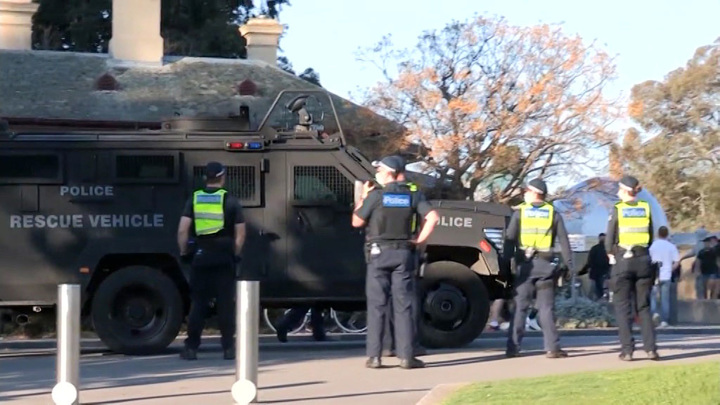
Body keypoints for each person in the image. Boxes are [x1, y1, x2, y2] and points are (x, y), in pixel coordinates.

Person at [352, 155, 439, 369]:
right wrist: (419, 240)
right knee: (404, 306)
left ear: (390, 172)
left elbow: (357, 221)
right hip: (404, 254)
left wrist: (362, 198)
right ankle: (407, 357)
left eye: (380, 170)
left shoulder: (376, 196)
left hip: (378, 254)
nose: (377, 174)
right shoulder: (413, 195)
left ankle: (374, 356)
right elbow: (433, 217)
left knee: (377, 306)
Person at [177, 161, 247, 360]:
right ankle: (228, 348)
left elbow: (182, 230)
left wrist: (184, 252)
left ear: (205, 178)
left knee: (198, 305)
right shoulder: (231, 201)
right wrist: (235, 254)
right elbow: (240, 234)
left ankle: (191, 348)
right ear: (223, 177)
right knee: (225, 305)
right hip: (224, 258)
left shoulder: (194, 199)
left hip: (201, 256)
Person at [504, 178, 574, 359]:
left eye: (526, 190)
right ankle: (552, 348)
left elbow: (509, 239)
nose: (524, 193)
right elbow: (564, 242)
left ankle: (513, 348)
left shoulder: (520, 213)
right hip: (545, 268)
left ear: (534, 192)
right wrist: (569, 266)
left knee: (520, 307)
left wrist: (506, 263)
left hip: (525, 267)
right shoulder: (553, 214)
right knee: (546, 308)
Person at [605, 175, 658, 361]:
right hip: (643, 260)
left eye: (619, 189)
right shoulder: (645, 208)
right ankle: (651, 348)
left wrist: (611, 253)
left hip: (623, 261)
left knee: (622, 307)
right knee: (643, 307)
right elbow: (650, 236)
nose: (617, 192)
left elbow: (609, 239)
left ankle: (627, 350)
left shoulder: (618, 209)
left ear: (626, 191)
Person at [381, 171, 427, 358]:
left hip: (382, 249)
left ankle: (386, 345)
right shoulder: (413, 192)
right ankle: (410, 346)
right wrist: (419, 241)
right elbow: (427, 218)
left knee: (384, 299)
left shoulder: (380, 192)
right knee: (407, 300)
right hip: (407, 248)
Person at [649, 226, 679, 327]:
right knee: (665, 299)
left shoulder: (653, 246)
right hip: (666, 275)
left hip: (654, 275)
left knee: (653, 297)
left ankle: (653, 315)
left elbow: (649, 260)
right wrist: (670, 269)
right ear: (667, 234)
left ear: (658, 234)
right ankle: (664, 320)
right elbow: (677, 261)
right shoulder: (671, 246)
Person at [580, 233, 611, 300]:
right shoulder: (609, 249)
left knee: (597, 291)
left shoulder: (594, 249)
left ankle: (598, 302)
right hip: (605, 273)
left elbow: (589, 262)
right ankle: (604, 301)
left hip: (596, 274)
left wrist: (581, 272)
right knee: (604, 289)